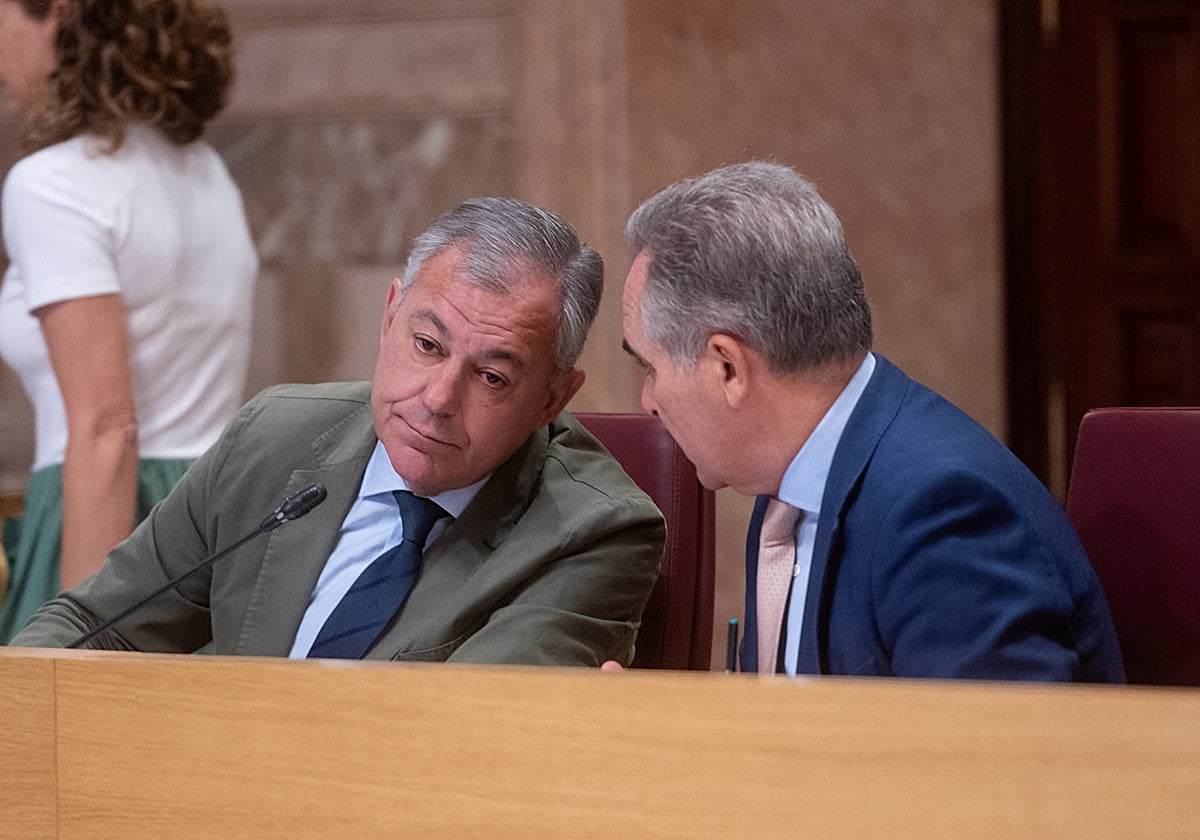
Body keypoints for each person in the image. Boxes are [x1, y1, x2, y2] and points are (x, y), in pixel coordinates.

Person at [11, 196, 665, 666]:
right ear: (388, 318)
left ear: (554, 397)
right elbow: (95, 624)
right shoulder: (276, 435)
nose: (437, 399)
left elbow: (465, 739)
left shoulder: (593, 532)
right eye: (427, 345)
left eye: (491, 377)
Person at [615, 161, 1125, 681]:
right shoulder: (785, 482)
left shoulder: (945, 513)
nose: (648, 400)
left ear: (728, 366)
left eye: (650, 367)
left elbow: (991, 760)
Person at [0, 0, 257, 641]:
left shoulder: (53, 184)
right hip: (212, 520)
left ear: (56, 15)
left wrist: (79, 641)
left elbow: (108, 430)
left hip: (105, 517)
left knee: (67, 730)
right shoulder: (205, 170)